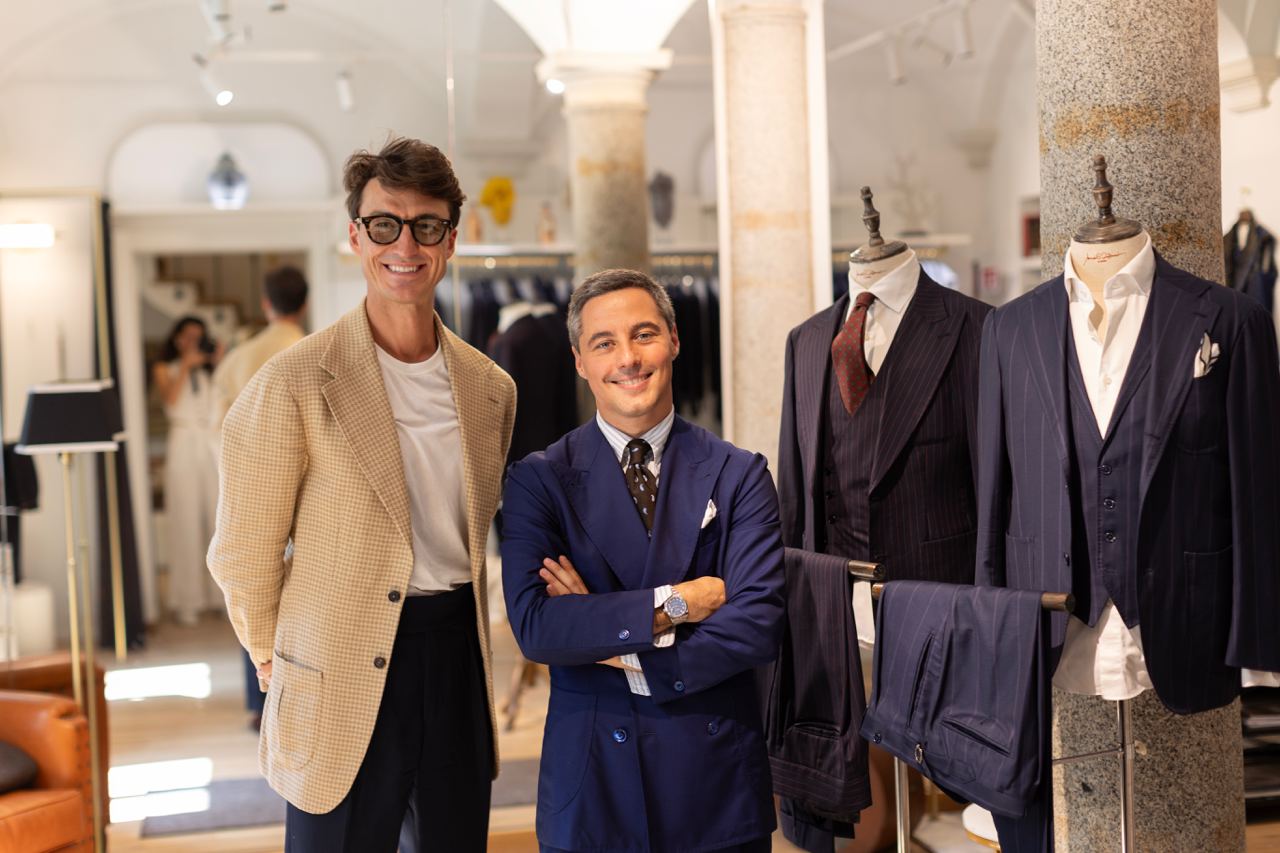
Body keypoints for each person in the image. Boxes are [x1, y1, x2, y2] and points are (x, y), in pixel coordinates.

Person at [208, 136, 516, 853]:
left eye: (426, 225)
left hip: (454, 660)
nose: (403, 244)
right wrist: (270, 653)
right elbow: (245, 546)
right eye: (384, 224)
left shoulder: (490, 387)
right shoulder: (293, 381)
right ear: (355, 236)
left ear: (449, 239)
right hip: (335, 661)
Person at [500, 268, 785, 853]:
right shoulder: (538, 481)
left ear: (675, 340)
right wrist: (678, 603)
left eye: (644, 334)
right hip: (593, 784)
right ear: (580, 361)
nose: (628, 358)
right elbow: (537, 628)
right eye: (605, 343)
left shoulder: (739, 474)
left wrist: (603, 631)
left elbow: (757, 624)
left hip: (713, 785)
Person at [210, 264, 309, 731]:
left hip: (250, 488)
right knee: (294, 590)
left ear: (267, 304)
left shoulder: (240, 357)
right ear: (304, 304)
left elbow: (219, 426)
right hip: (306, 496)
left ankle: (259, 696)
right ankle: (289, 690)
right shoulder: (309, 354)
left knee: (252, 583)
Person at [153, 315, 222, 627]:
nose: (196, 343)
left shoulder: (212, 370)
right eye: (190, 337)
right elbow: (169, 398)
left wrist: (218, 361)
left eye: (200, 337)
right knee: (185, 520)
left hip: (210, 443)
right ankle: (187, 598)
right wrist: (186, 365)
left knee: (217, 519)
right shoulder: (165, 367)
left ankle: (219, 596)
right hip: (182, 441)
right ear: (179, 339)